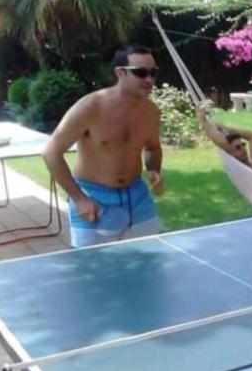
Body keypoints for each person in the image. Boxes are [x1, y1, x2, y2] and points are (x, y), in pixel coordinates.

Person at [42, 45, 164, 247]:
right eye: (140, 73)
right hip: (93, 200)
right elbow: (51, 152)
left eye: (153, 73)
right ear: (120, 73)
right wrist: (79, 198)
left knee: (148, 265)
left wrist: (153, 170)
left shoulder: (151, 112)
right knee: (93, 273)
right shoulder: (90, 107)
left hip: (137, 197)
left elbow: (152, 147)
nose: (149, 79)